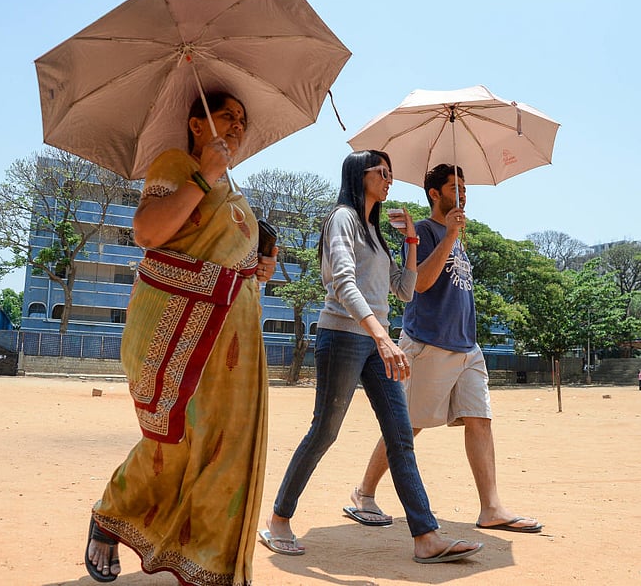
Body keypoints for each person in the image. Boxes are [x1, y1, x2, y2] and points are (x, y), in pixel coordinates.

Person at [84, 92, 279, 585]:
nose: (237, 125)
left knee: (228, 448)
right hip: (184, 329)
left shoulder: (235, 195)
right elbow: (148, 232)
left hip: (235, 338)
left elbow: (224, 257)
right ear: (196, 124)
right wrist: (203, 174)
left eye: (242, 119)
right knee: (175, 442)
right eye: (226, 116)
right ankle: (110, 514)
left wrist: (257, 268)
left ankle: (210, 565)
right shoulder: (175, 164)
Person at [261, 151, 483, 564]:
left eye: (391, 173)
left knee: (401, 438)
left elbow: (403, 289)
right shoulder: (342, 219)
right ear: (358, 175)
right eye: (382, 172)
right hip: (344, 337)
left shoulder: (375, 230)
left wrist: (412, 243)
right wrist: (382, 337)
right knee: (325, 431)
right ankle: (278, 519)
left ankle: (426, 537)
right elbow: (343, 283)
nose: (390, 179)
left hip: (377, 340)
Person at [349, 164, 542, 535]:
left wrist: (455, 236)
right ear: (435, 193)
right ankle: (364, 492)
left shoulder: (458, 235)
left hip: (467, 346)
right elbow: (419, 284)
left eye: (465, 188)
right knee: (408, 425)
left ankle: (491, 508)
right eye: (455, 187)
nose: (464, 194)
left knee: (480, 420)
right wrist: (450, 236)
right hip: (428, 343)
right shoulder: (421, 231)